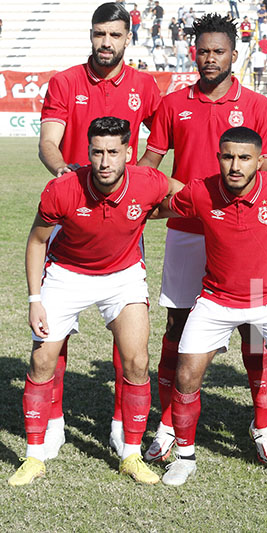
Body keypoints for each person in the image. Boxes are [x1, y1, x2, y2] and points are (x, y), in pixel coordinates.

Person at [154, 127, 267, 489]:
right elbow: (157, 209)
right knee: (186, 376)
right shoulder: (201, 191)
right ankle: (184, 457)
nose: (235, 166)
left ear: (259, 161)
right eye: (227, 157)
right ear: (219, 157)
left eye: (244, 158)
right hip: (216, 300)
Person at [137, 13, 267, 466]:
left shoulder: (257, 105)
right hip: (187, 232)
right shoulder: (173, 103)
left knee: (254, 330)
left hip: (243, 234)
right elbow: (149, 165)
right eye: (203, 51)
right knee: (178, 327)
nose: (210, 58)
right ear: (193, 53)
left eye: (219, 51)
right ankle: (167, 425)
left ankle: (262, 425)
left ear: (234, 55)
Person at [8, 116, 180, 487]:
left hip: (123, 277)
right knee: (41, 360)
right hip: (66, 275)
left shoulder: (148, 181)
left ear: (128, 153)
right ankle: (34, 457)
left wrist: (162, 210)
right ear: (88, 152)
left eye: (113, 152)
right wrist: (35, 299)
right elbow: (37, 241)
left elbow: (184, 194)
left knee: (137, 362)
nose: (105, 161)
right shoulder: (63, 188)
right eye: (97, 152)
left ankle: (131, 454)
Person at [37, 1, 162, 461]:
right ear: (91, 35)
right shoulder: (66, 82)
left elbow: (160, 138)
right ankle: (52, 422)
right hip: (70, 214)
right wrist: (64, 175)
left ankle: (119, 424)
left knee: (127, 332)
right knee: (55, 330)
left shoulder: (145, 86)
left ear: (128, 37)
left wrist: (136, 184)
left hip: (123, 220)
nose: (105, 42)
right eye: (98, 34)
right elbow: (48, 141)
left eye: (114, 35)